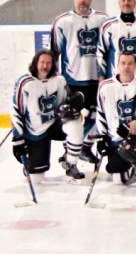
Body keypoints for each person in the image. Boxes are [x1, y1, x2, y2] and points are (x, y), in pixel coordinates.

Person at [49, 0, 108, 164]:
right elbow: (54, 52)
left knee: (96, 115)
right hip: (72, 80)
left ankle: (83, 147)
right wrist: (54, 79)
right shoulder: (62, 21)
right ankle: (70, 152)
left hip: (97, 79)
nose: (82, 0)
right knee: (72, 119)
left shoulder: (103, 19)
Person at [11, 50, 83, 180]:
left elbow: (65, 103)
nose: (45, 66)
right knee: (37, 178)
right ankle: (31, 165)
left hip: (54, 124)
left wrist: (73, 102)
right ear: (35, 63)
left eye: (48, 63)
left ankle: (70, 163)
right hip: (35, 131)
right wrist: (18, 138)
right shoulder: (25, 83)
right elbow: (17, 111)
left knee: (75, 124)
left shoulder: (59, 80)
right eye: (42, 62)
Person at [95, 51, 136, 184]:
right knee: (118, 179)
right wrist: (102, 138)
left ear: (135, 65)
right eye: (123, 63)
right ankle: (135, 165)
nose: (126, 67)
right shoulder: (105, 87)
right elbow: (100, 113)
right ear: (117, 65)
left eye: (130, 63)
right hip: (118, 140)